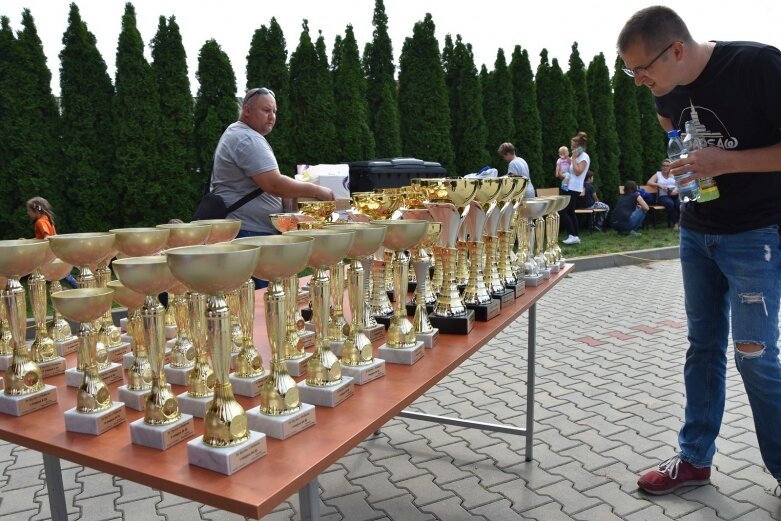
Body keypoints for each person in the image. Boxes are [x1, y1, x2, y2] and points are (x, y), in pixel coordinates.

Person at [618, 6, 781, 496]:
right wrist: (682, 170)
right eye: (631, 72)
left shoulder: (757, 66)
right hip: (696, 233)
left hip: (756, 235)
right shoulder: (665, 90)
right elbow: (677, 138)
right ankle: (694, 461)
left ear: (677, 50)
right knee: (702, 348)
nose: (639, 81)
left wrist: (724, 163)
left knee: (755, 357)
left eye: (643, 69)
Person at [211, 87, 334, 288]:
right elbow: (274, 184)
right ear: (247, 110)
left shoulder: (240, 133)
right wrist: (316, 190)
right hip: (250, 234)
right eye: (266, 111)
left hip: (248, 232)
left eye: (274, 111)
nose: (272, 117)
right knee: (261, 302)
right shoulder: (247, 138)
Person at [26, 196, 78, 288]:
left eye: (29, 210)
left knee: (41, 272)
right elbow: (44, 237)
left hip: (48, 255)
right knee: (64, 274)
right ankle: (73, 287)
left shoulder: (40, 222)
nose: (28, 213)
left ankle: (70, 288)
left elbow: (47, 237)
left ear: (36, 211)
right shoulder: (47, 219)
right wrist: (28, 241)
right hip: (54, 252)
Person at [560, 132, 591, 244]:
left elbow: (578, 172)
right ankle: (575, 236)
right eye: (571, 146)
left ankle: (572, 235)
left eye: (573, 147)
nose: (572, 148)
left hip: (575, 187)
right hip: (570, 186)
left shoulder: (584, 157)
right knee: (571, 212)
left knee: (563, 211)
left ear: (580, 147)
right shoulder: (577, 156)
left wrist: (572, 158)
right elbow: (572, 170)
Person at [646, 159, 679, 229]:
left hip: (674, 195)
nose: (665, 167)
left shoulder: (674, 174)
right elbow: (649, 182)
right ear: (661, 167)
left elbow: (679, 184)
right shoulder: (658, 174)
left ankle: (683, 224)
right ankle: (675, 223)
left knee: (680, 204)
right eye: (663, 166)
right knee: (670, 203)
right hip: (663, 196)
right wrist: (658, 185)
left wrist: (675, 189)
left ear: (670, 167)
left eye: (667, 166)